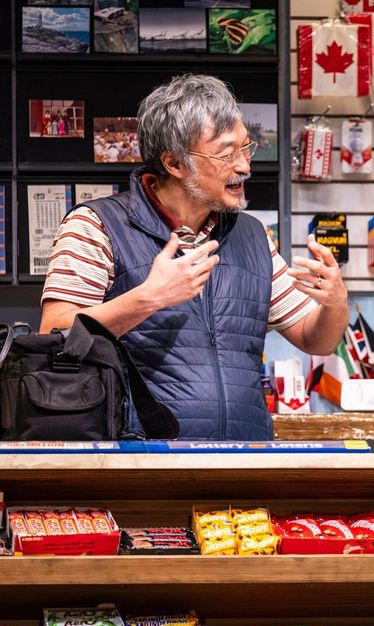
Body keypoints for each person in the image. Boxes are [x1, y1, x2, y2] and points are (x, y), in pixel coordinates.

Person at [39, 73, 349, 439]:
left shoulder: (253, 236)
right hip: (140, 468)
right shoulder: (96, 225)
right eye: (226, 153)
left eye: (245, 148)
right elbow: (54, 336)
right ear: (173, 163)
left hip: (245, 464)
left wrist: (336, 303)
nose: (245, 166)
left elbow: (316, 340)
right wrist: (148, 298)